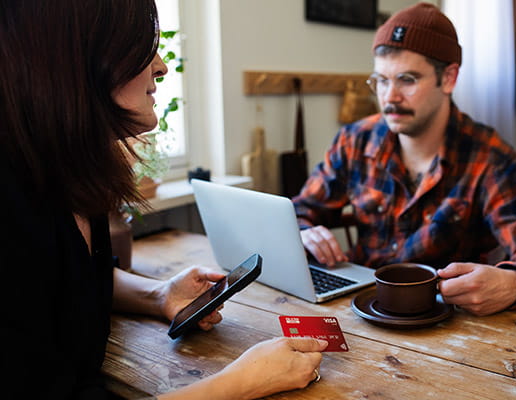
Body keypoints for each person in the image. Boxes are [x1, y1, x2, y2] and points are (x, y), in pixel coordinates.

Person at [0, 1, 326, 399]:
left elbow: (68, 282)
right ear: (77, 59)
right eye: (141, 48)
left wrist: (158, 295)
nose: (161, 66)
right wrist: (242, 382)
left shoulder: (68, 174)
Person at [293, 2, 516, 316]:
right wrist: (305, 231)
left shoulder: (492, 159)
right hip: (358, 310)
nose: (390, 97)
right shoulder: (355, 140)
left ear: (449, 78)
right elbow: (300, 211)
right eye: (382, 81)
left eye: (407, 79)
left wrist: (514, 282)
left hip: (446, 325)